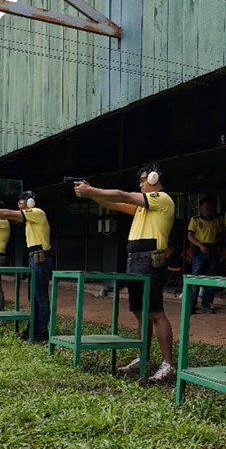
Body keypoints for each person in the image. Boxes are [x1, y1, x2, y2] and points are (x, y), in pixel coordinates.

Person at [73, 162, 176, 384]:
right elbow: (116, 202)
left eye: (142, 180)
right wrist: (91, 194)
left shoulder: (163, 199)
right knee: (140, 312)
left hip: (150, 260)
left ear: (154, 178)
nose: (140, 185)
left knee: (156, 313)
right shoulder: (143, 207)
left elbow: (122, 195)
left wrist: (90, 191)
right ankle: (144, 357)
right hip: (135, 261)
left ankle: (168, 363)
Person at [0, 190, 52, 342]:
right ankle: (33, 330)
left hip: (40, 259)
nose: (19, 205)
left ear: (30, 202)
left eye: (21, 202)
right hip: (34, 258)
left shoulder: (37, 212)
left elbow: (8, 213)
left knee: (40, 298)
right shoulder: (31, 218)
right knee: (33, 297)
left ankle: (41, 333)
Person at [186, 194, 224, 314]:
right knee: (195, 278)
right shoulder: (195, 219)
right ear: (201, 207)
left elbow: (220, 234)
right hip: (199, 250)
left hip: (212, 249)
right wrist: (200, 245)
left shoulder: (217, 220)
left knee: (211, 278)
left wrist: (218, 245)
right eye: (206, 206)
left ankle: (206, 304)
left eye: (210, 206)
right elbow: (190, 236)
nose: (208, 209)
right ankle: (191, 305)